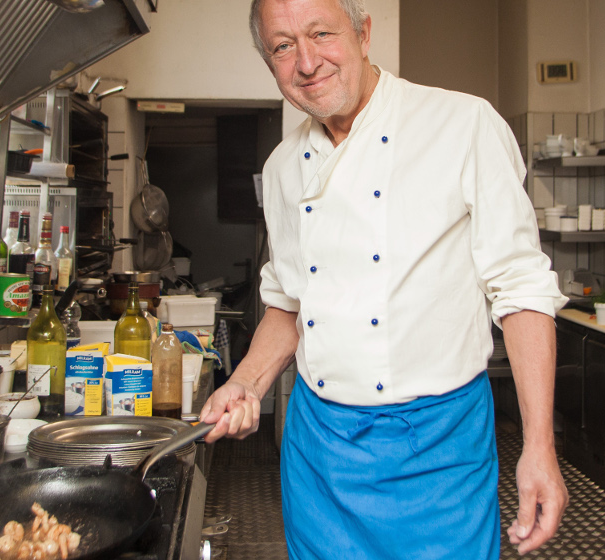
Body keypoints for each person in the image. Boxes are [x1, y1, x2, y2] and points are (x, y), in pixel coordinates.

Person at [198, 0, 570, 558]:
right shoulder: (280, 168)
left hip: (439, 447)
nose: (306, 61)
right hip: (320, 449)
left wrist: (539, 445)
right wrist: (245, 383)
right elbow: (289, 306)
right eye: (282, 46)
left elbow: (520, 291)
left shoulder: (463, 125)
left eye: (322, 33)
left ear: (364, 33)